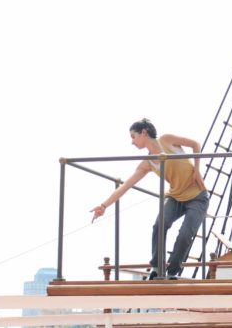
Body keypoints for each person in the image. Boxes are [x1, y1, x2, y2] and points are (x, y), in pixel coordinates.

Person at [90, 119, 209, 279]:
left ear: (144, 133)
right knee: (159, 225)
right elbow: (125, 186)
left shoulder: (167, 140)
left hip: (197, 197)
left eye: (133, 137)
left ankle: (172, 272)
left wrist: (197, 170)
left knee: (185, 234)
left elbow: (195, 144)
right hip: (175, 197)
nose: (132, 142)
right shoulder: (147, 163)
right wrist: (104, 205)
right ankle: (157, 268)